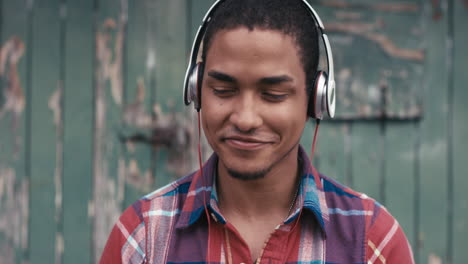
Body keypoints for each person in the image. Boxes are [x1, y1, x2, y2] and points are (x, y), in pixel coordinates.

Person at [99, 0, 415, 263]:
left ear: (315, 99)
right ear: (196, 90)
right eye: (223, 90)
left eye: (273, 95)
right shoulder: (142, 237)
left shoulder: (373, 241)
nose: (246, 118)